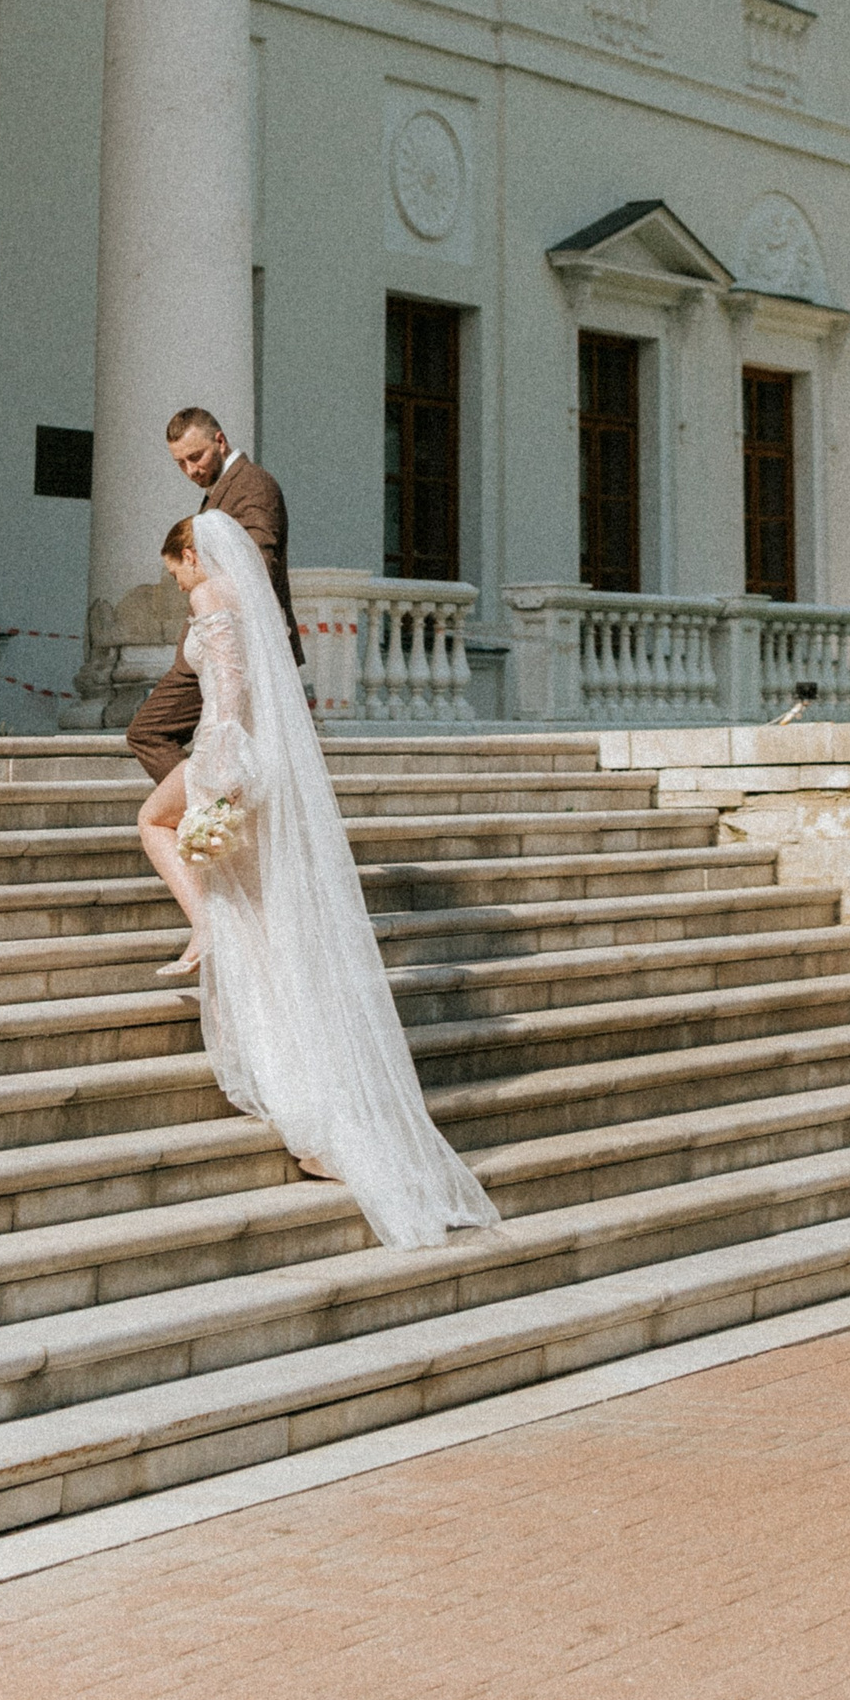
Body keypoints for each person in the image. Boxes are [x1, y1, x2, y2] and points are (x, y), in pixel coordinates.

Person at [142, 505, 498, 1248]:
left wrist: (218, 765)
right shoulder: (249, 601)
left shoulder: (211, 599)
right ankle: (228, 951)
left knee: (155, 824)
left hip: (225, 752)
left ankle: (206, 930)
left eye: (175, 567)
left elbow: (229, 692)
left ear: (192, 556)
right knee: (267, 917)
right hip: (253, 757)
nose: (176, 582)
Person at [126, 407, 299, 789]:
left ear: (220, 441)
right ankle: (214, 817)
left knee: (148, 731)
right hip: (217, 645)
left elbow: (259, 566)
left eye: (196, 456)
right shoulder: (223, 490)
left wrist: (209, 612)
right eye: (180, 463)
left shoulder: (252, 485)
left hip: (232, 646)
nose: (190, 470)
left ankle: (209, 815)